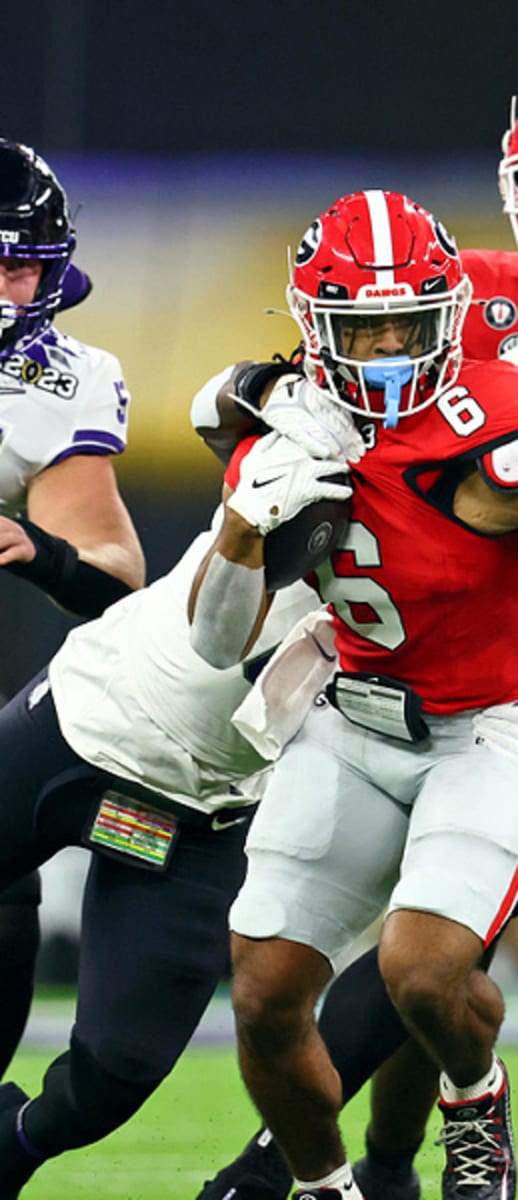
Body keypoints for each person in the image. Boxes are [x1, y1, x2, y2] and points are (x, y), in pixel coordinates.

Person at [193, 188, 518, 1200]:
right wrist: (243, 527)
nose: (388, 349)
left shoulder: (497, 426)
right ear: (315, 330)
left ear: (449, 314)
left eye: (408, 324)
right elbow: (218, 639)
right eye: (363, 328)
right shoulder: (282, 436)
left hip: (487, 729)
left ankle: (476, 1101)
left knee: (423, 971)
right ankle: (322, 1185)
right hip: (350, 717)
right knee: (261, 996)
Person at [0, 408, 342, 1195]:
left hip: (205, 801)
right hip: (89, 716)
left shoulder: (490, 514)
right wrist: (270, 404)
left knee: (118, 1070)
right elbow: (219, 406)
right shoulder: (323, 433)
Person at [0, 140, 144, 1095]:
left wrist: (37, 551)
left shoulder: (60, 377)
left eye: (14, 266)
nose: (1, 291)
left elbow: (116, 576)